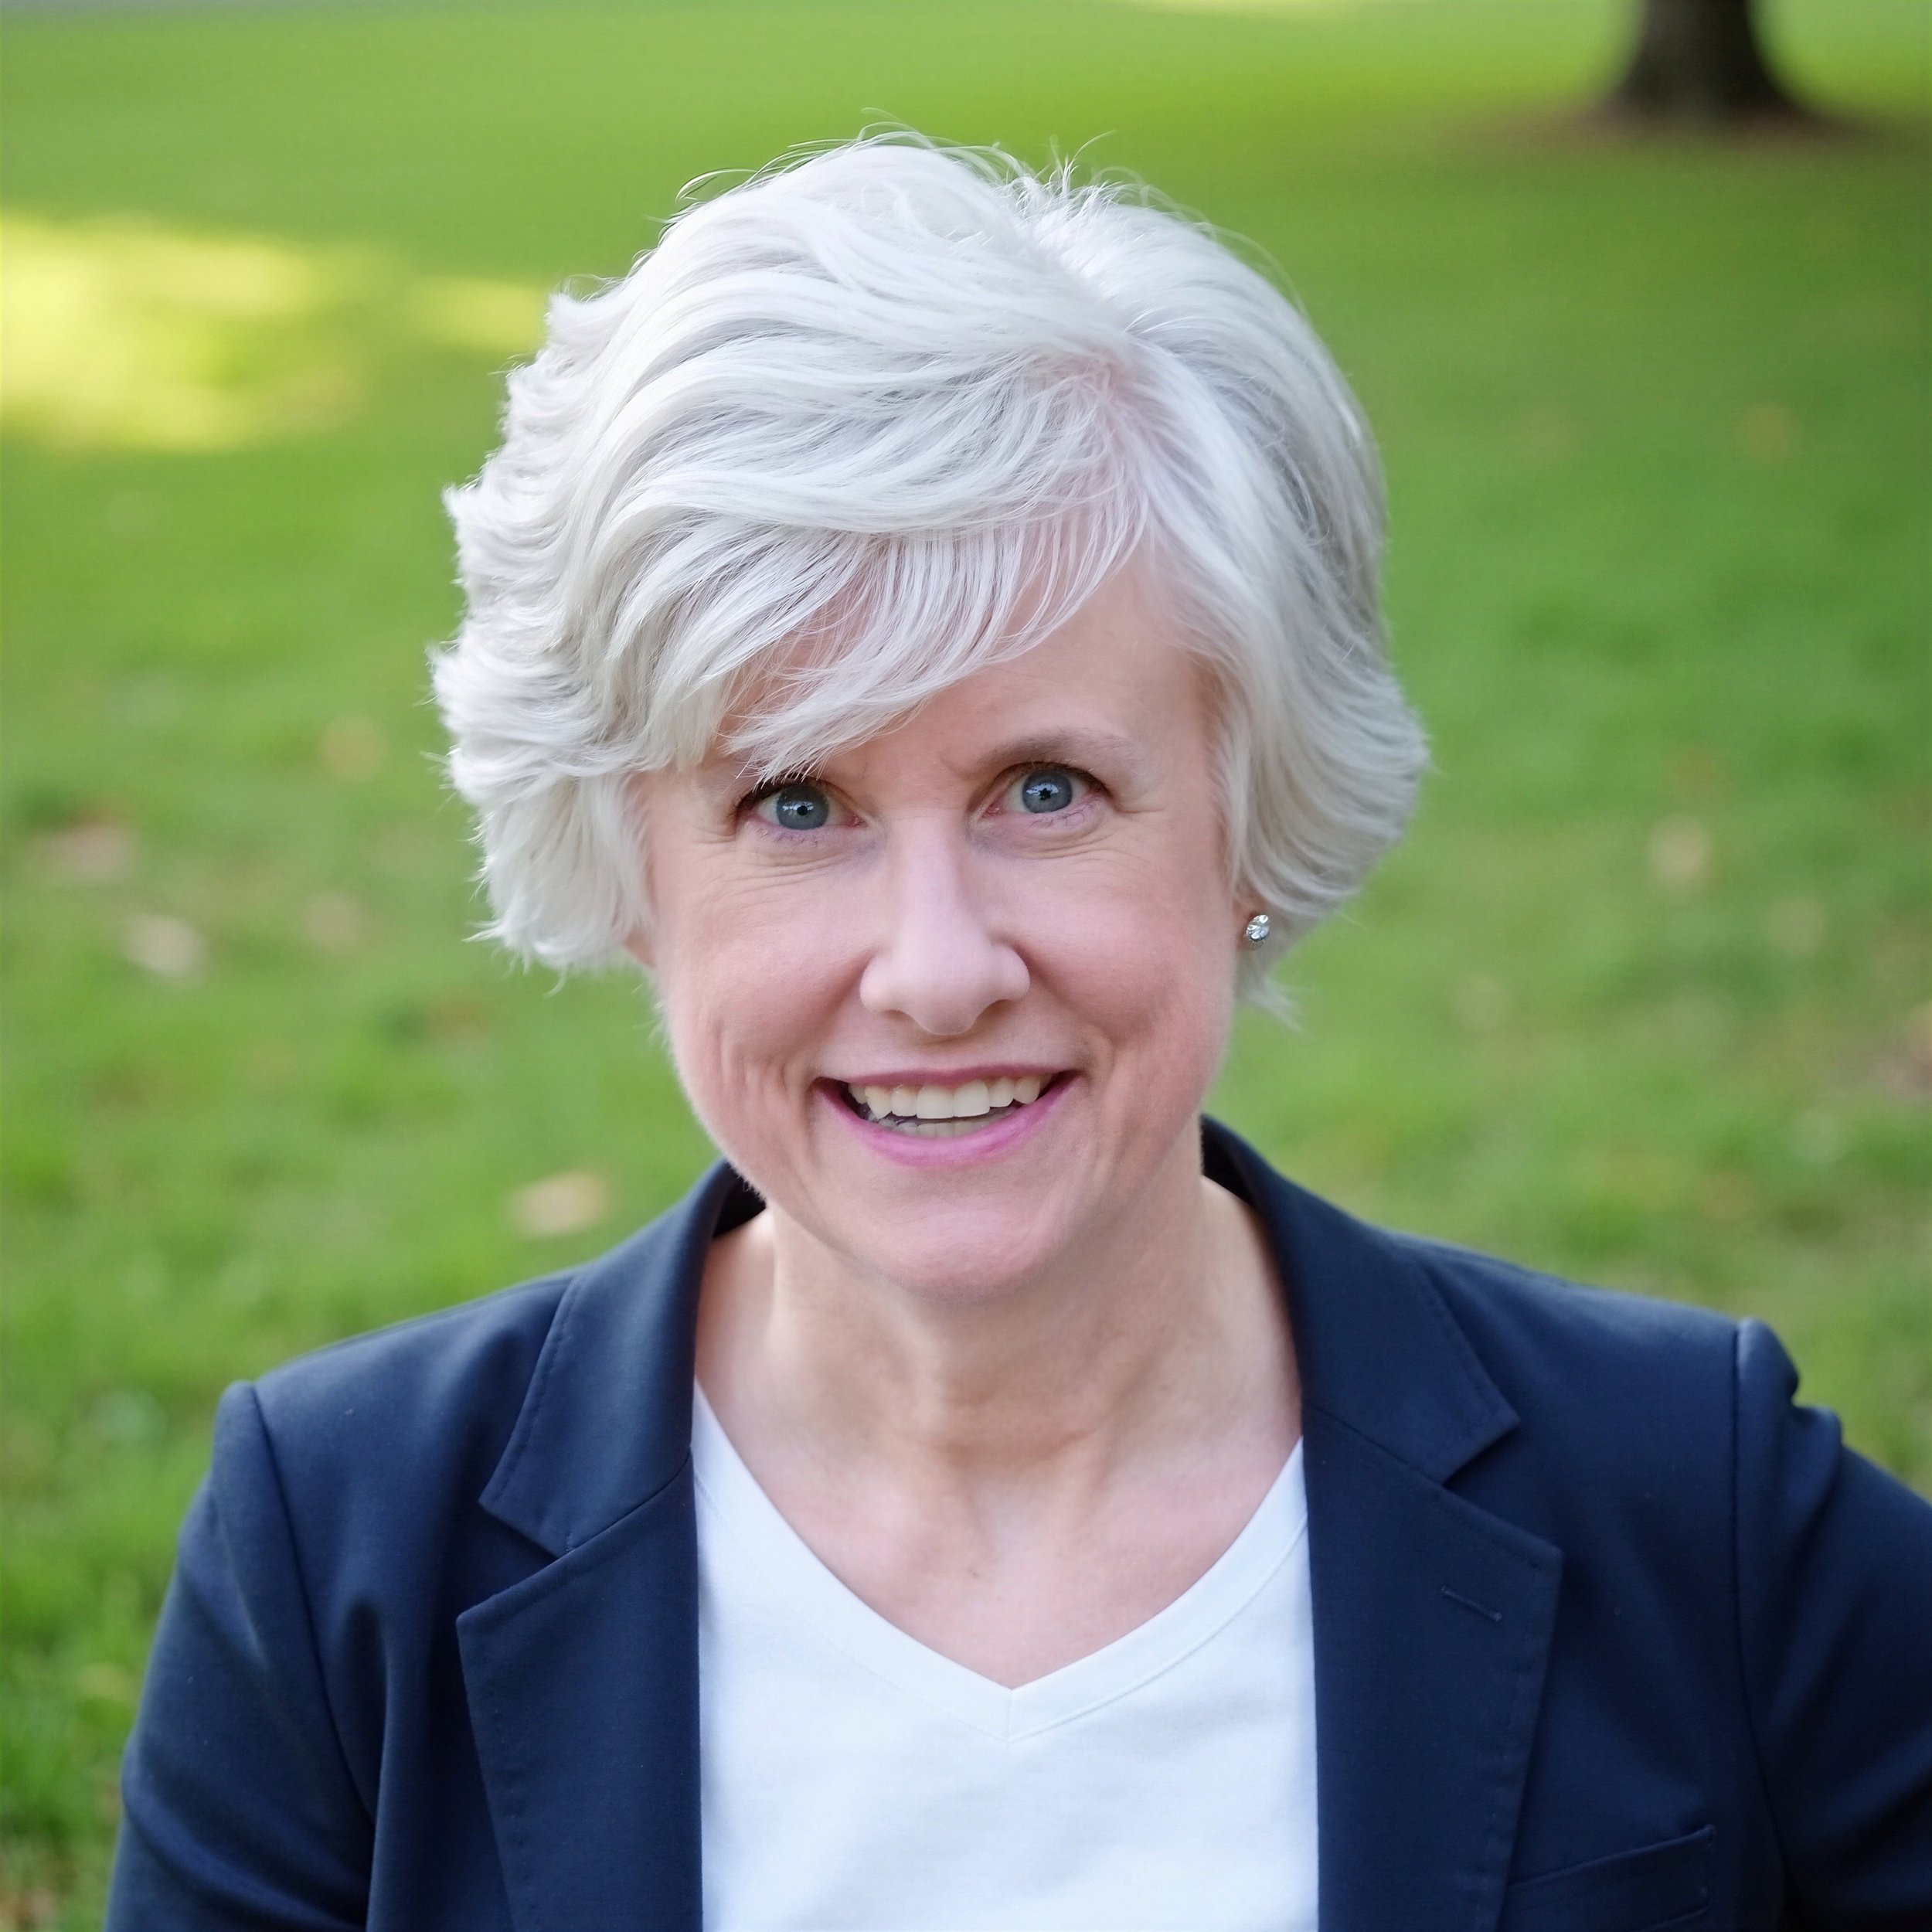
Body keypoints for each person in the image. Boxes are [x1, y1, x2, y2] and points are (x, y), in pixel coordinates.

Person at [107, 138, 1930, 1932]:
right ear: (629, 870)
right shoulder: (337, 1549)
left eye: (1043, 787)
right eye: (798, 802)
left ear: (1248, 822)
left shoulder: (1698, 1500)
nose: (934, 966)